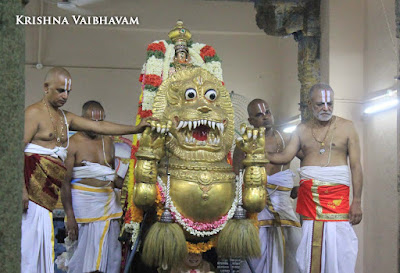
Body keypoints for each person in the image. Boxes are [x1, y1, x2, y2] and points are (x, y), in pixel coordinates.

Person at [22, 67, 152, 273]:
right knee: (28, 250)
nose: (65, 96)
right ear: (46, 88)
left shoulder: (66, 119)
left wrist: (135, 128)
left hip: (47, 195)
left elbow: (101, 127)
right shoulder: (33, 113)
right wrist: (21, 190)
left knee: (42, 248)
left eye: (68, 92)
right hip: (32, 192)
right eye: (60, 90)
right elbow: (15, 150)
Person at [267, 83, 363, 273]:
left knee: (340, 246)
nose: (326, 108)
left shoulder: (347, 127)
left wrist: (357, 201)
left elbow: (356, 166)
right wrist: (260, 154)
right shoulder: (302, 129)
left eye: (329, 103)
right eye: (320, 104)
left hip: (338, 197)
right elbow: (286, 156)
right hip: (310, 199)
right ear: (310, 105)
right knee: (310, 245)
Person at [234, 99, 302, 273]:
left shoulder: (287, 139)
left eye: (267, 112)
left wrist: (300, 186)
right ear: (250, 121)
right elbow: (235, 177)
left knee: (294, 249)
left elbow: (310, 160)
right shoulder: (243, 145)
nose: (265, 117)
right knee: (254, 254)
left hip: (284, 207)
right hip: (256, 207)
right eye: (259, 115)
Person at [62, 101, 125, 273]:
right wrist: (70, 216)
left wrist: (130, 186)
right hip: (84, 203)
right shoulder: (72, 144)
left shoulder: (108, 141)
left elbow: (111, 175)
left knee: (111, 250)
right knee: (83, 251)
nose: (96, 126)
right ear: (82, 119)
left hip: (109, 203)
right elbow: (64, 182)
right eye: (92, 121)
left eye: (100, 121)